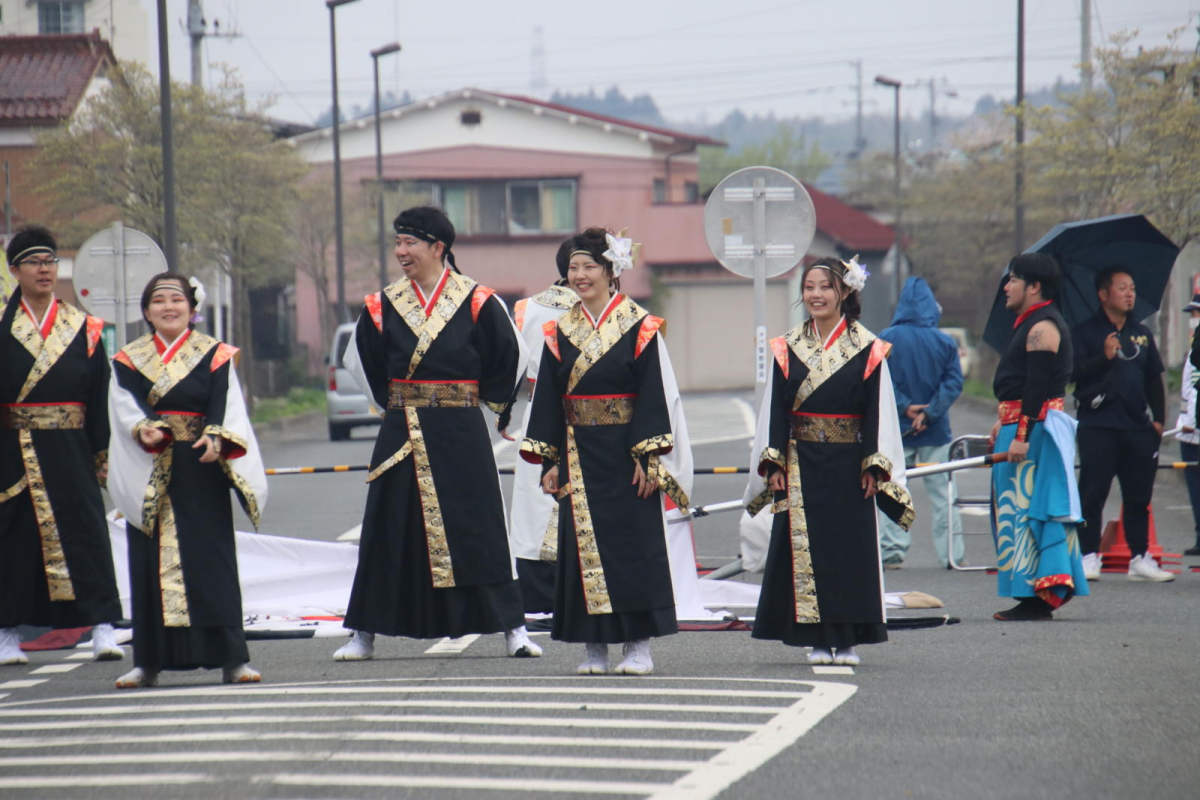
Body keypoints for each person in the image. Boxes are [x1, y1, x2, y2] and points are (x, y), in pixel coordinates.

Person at [335, 206, 539, 661]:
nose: (400, 252)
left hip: (460, 429)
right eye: (398, 242)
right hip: (401, 429)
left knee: (479, 526)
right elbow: (362, 363)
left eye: (409, 243)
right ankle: (363, 632)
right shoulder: (382, 304)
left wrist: (497, 407)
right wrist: (394, 403)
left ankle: (514, 629)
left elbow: (510, 356)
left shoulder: (477, 300)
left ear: (437, 248)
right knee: (388, 526)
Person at [521, 227, 692, 676]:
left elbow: (655, 393)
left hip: (627, 454)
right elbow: (548, 402)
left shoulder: (640, 326)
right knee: (581, 550)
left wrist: (649, 457)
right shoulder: (558, 331)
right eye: (573, 268)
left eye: (588, 267)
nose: (579, 275)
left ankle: (639, 646)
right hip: (579, 450)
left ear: (611, 271)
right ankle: (593, 647)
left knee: (634, 548)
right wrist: (551, 460)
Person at [743, 256, 913, 666]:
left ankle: (849, 638)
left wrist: (874, 464)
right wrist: (775, 462)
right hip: (801, 461)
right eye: (809, 287)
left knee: (848, 550)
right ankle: (816, 637)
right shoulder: (787, 348)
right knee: (807, 550)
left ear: (845, 293)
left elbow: (877, 410)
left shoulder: (868, 348)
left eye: (825, 287)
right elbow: (776, 411)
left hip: (849, 463)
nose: (816, 295)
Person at [108, 273, 268, 688]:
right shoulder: (128, 359)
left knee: (211, 563)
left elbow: (227, 404)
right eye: (158, 301)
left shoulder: (213, 354)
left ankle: (233, 659)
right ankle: (148, 662)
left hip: (201, 465)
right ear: (146, 312)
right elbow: (122, 405)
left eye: (176, 299)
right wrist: (141, 427)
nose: (168, 307)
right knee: (148, 567)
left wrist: (216, 435)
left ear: (191, 309)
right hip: (153, 467)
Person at [0, 226, 123, 666]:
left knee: (86, 533)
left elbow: (100, 394)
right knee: (16, 542)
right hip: (17, 450)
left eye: (50, 261)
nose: (44, 269)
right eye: (34, 262)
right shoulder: (2, 327)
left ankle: (103, 628)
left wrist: (102, 453)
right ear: (15, 271)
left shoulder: (83, 326)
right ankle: (8, 633)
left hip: (72, 446)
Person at [989, 253, 1089, 620]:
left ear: (1035, 287)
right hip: (1021, 425)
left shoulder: (1042, 327)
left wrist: (1022, 434)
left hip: (1035, 433)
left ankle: (1037, 595)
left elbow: (1037, 386)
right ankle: (1029, 593)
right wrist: (1004, 421)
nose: (1006, 286)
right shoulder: (1029, 322)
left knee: (1026, 511)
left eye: (1013, 279)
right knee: (1013, 512)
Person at [1071, 266, 1173, 582]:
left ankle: (1140, 557)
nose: (1130, 294)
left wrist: (1157, 421)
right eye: (1122, 288)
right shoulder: (1085, 332)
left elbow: (1154, 378)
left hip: (1137, 428)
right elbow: (1073, 374)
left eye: (1132, 288)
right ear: (1103, 295)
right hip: (1098, 425)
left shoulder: (1141, 333)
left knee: (1138, 496)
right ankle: (1089, 556)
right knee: (1093, 493)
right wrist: (1104, 356)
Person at [509, 239, 579, 613]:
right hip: (588, 410)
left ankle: (537, 597)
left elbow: (510, 364)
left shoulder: (526, 308)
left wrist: (503, 411)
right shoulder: (607, 310)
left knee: (534, 504)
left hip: (538, 408)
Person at [878, 277, 964, 569]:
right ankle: (951, 553)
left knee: (892, 488)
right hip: (936, 431)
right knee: (944, 495)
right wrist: (929, 413)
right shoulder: (944, 341)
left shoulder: (886, 338)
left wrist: (905, 408)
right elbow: (953, 382)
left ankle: (891, 551)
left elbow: (880, 380)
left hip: (897, 430)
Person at [1180, 294, 1200, 557]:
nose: (1194, 320)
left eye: (1197, 313)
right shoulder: (1193, 351)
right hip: (1188, 431)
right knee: (1195, 490)